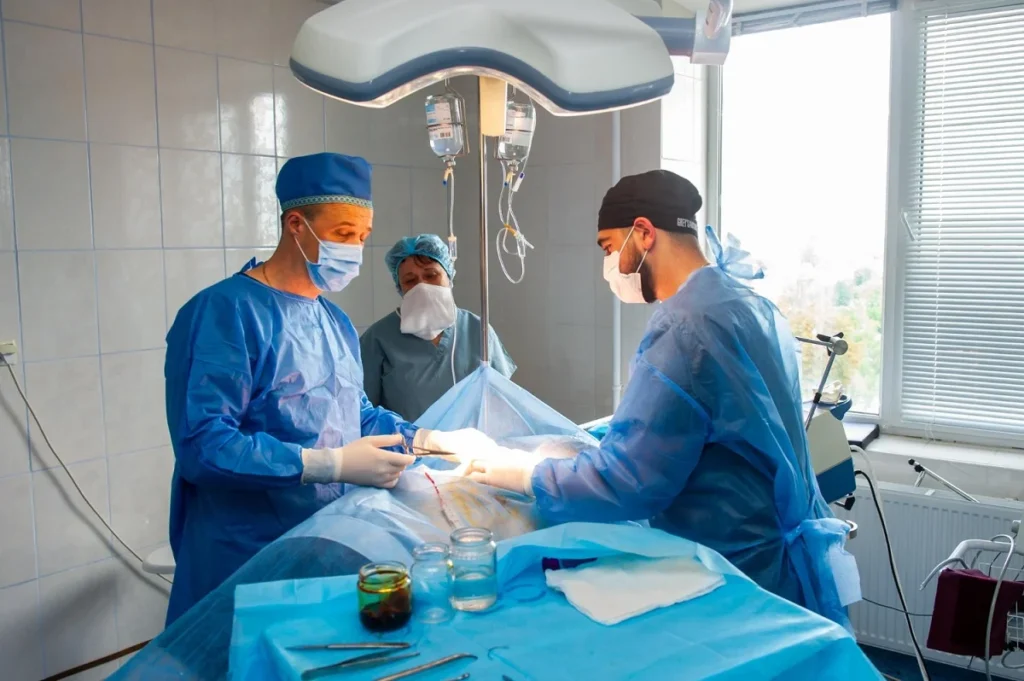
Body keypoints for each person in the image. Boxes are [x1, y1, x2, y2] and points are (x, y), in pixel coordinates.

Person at [465, 169, 860, 626]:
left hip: (730, 564)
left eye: (609, 248)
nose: (609, 265)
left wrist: (526, 474)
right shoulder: (748, 304)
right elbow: (729, 417)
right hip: (776, 552)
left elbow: (630, 481)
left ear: (645, 232)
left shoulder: (684, 327)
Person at [163, 153, 489, 625]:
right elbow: (204, 444)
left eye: (361, 237)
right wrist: (328, 464)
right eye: (342, 234)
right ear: (296, 223)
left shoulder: (331, 320)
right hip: (242, 555)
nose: (354, 248)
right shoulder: (224, 312)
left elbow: (353, 412)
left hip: (322, 539)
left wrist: (428, 439)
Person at [360, 234, 517, 422]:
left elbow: (501, 400)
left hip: (471, 447)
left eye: (431, 275)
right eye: (410, 280)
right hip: (407, 448)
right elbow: (364, 411)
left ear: (449, 277)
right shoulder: (378, 339)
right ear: (400, 287)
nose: (422, 286)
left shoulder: (478, 330)